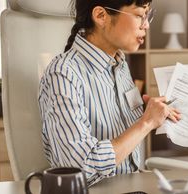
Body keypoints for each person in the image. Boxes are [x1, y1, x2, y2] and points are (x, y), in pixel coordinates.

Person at [38, 0, 180, 186]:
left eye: (148, 16)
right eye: (139, 15)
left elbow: (120, 128)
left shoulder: (119, 65)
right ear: (100, 16)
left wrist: (150, 113)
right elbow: (79, 169)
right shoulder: (63, 73)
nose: (146, 25)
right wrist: (146, 123)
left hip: (133, 184)